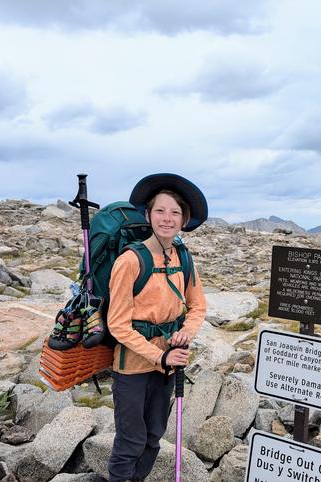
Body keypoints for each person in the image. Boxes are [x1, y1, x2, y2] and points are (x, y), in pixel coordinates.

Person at [107, 173, 208, 482]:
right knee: (131, 439)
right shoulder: (130, 261)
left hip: (167, 365)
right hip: (132, 368)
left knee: (154, 435)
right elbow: (118, 324)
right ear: (148, 214)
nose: (168, 218)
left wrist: (186, 332)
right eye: (161, 211)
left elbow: (197, 306)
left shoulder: (184, 258)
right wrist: (159, 356)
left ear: (184, 219)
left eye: (175, 212)